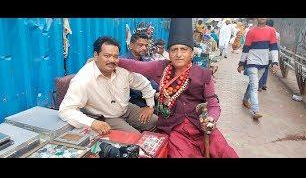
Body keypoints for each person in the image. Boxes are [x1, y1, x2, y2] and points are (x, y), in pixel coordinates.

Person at [118, 18, 238, 158]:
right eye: (174, 49)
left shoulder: (204, 74)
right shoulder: (161, 67)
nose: (179, 54)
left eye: (184, 49)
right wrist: (113, 59)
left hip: (201, 127)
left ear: (191, 53)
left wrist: (211, 119)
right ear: (169, 53)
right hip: (174, 128)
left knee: (225, 152)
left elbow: (213, 105)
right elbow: (136, 66)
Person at [58, 36, 158, 134]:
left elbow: (144, 83)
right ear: (96, 56)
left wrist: (150, 105)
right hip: (107, 116)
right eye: (107, 56)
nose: (112, 60)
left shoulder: (122, 70)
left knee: (155, 121)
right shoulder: (83, 79)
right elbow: (66, 110)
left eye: (115, 56)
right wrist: (92, 123)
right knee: (134, 137)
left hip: (126, 108)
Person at [237, 18, 280, 119]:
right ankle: (255, 110)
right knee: (255, 86)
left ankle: (245, 99)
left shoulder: (271, 31)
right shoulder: (251, 31)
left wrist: (275, 62)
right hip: (252, 61)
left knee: (253, 84)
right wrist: (241, 63)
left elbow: (274, 47)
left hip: (264, 63)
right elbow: (246, 48)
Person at [121, 32, 159, 107]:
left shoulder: (146, 61)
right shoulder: (123, 62)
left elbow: (151, 79)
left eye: (146, 45)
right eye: (140, 45)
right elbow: (132, 88)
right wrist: (154, 94)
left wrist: (159, 91)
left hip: (149, 96)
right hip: (132, 100)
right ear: (131, 45)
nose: (144, 48)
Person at [258, 19, 281, 91]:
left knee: (261, 68)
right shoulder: (277, 34)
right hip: (271, 55)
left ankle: (259, 85)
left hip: (263, 54)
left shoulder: (263, 31)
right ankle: (264, 84)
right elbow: (278, 46)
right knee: (266, 69)